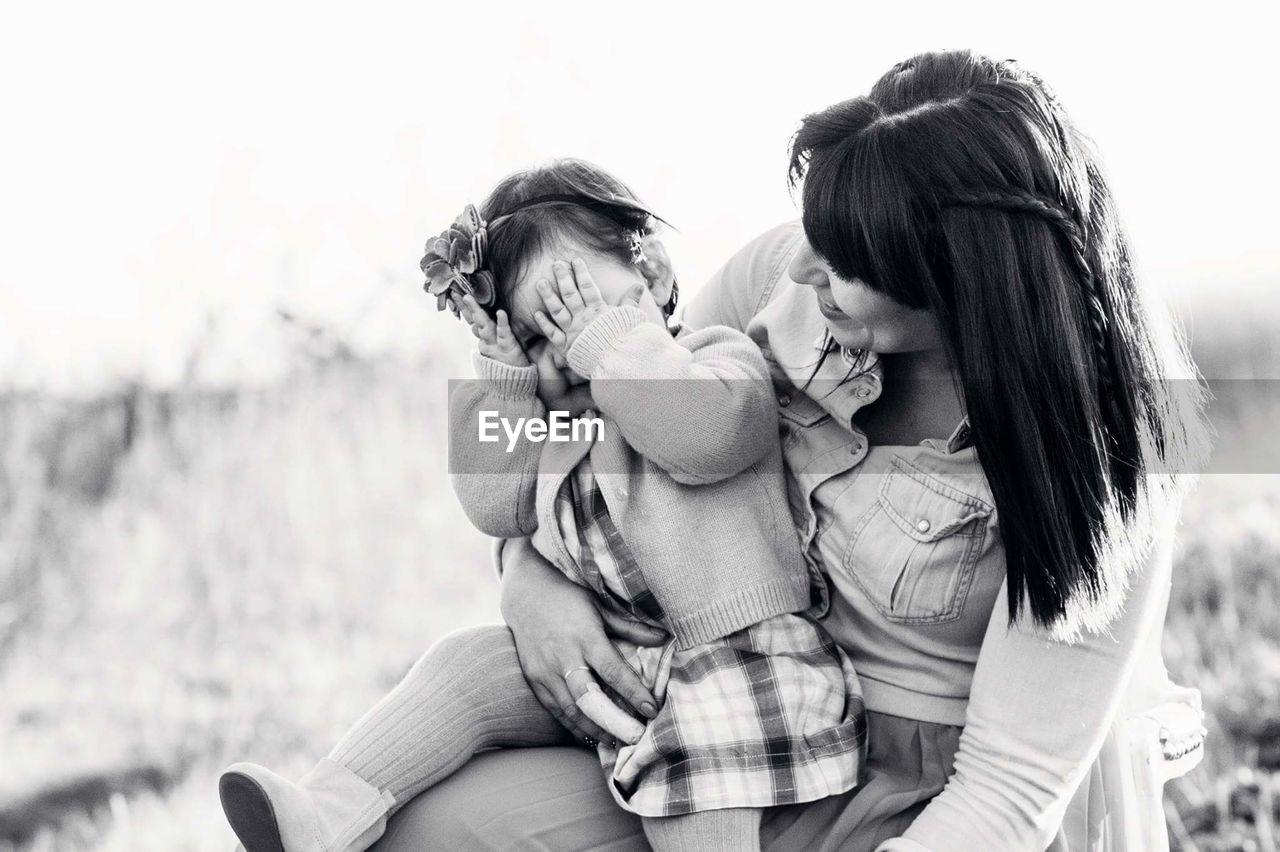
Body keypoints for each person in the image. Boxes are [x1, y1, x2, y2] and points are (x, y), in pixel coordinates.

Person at [371, 50, 1210, 851]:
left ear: (962, 281)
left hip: (925, 796)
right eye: (815, 229)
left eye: (844, 259)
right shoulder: (783, 281)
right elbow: (607, 436)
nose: (804, 266)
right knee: (430, 830)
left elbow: (1008, 790)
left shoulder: (1106, 453)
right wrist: (528, 576)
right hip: (716, 717)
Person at [217, 158, 868, 852]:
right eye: (539, 337)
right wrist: (506, 384)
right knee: (464, 666)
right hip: (603, 662)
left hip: (729, 668)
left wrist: (608, 343)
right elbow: (496, 508)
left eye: (580, 306)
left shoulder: (714, 360)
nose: (569, 348)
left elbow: (707, 438)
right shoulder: (564, 420)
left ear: (651, 276)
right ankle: (323, 813)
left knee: (696, 804)